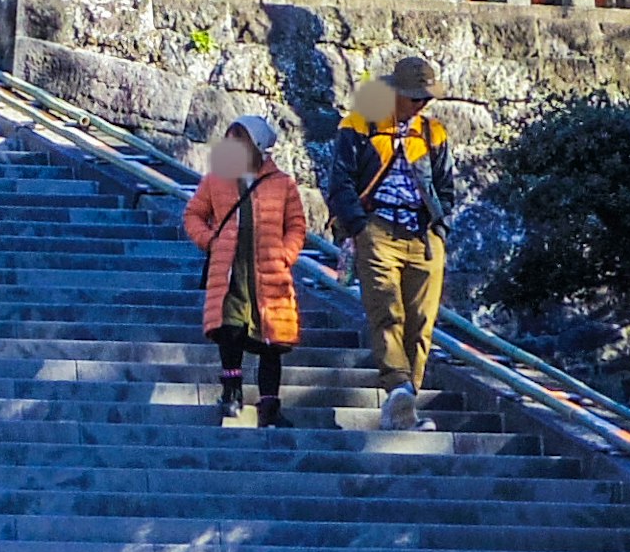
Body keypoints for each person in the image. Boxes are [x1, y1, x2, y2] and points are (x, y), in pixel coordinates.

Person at [325, 55, 456, 425]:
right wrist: (358, 225)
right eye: (415, 97)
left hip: (423, 233)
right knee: (386, 309)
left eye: (425, 97)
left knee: (422, 320)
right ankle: (397, 385)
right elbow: (341, 182)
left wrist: (440, 226)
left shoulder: (433, 132)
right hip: (378, 227)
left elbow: (446, 186)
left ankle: (406, 402)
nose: (422, 104)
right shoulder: (360, 125)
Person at [181, 112, 306, 429]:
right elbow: (194, 214)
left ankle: (270, 405)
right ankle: (232, 394)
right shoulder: (215, 180)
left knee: (272, 340)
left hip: (270, 272)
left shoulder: (282, 184)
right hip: (230, 271)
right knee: (231, 329)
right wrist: (211, 241)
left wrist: (286, 254)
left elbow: (296, 225)